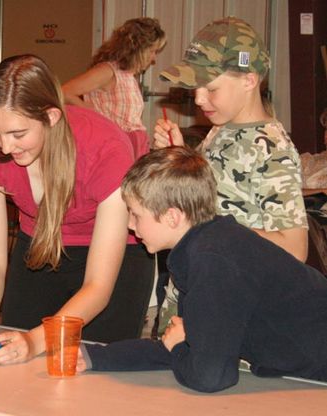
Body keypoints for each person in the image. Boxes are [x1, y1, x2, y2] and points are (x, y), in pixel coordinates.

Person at [0, 54, 154, 364]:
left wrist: (34, 341)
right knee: (14, 359)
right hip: (41, 248)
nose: (5, 147)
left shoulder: (106, 148)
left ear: (52, 117)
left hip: (114, 259)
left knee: (92, 371)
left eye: (18, 134)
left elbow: (97, 287)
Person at [78, 146, 327, 393]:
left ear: (172, 217)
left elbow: (211, 376)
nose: (130, 226)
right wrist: (93, 357)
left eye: (136, 214)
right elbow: (184, 344)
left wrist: (178, 347)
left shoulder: (212, 261)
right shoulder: (205, 245)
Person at [153, 17, 308, 262]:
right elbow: (215, 189)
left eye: (211, 89)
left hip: (231, 291)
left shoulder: (272, 151)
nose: (199, 99)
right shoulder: (222, 126)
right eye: (195, 89)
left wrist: (208, 227)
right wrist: (181, 154)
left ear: (248, 80)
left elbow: (294, 249)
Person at [62, 17, 166, 160]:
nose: (153, 58)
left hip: (132, 146)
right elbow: (65, 92)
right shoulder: (108, 71)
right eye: (152, 51)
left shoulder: (128, 75)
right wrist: (92, 113)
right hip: (114, 147)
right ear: (138, 48)